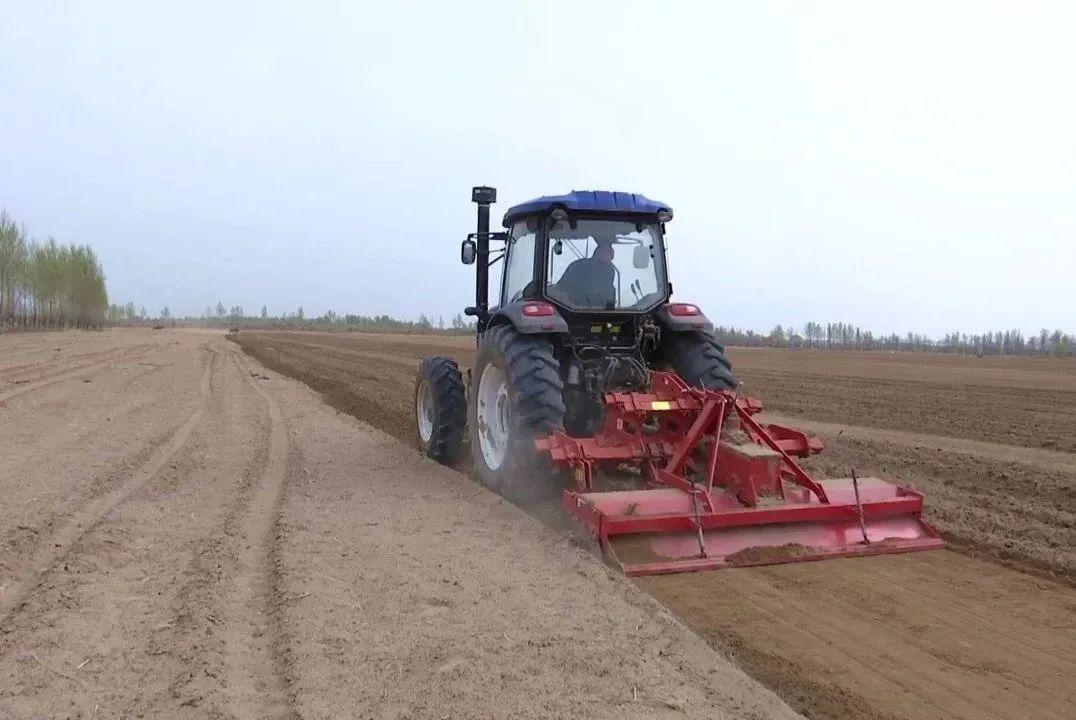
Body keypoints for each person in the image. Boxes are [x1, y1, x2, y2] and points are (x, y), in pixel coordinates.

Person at [552, 239, 616, 308]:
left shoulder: (609, 271)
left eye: (612, 257)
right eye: (610, 255)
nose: (611, 260)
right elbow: (562, 288)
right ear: (599, 253)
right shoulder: (579, 266)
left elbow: (560, 287)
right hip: (575, 309)